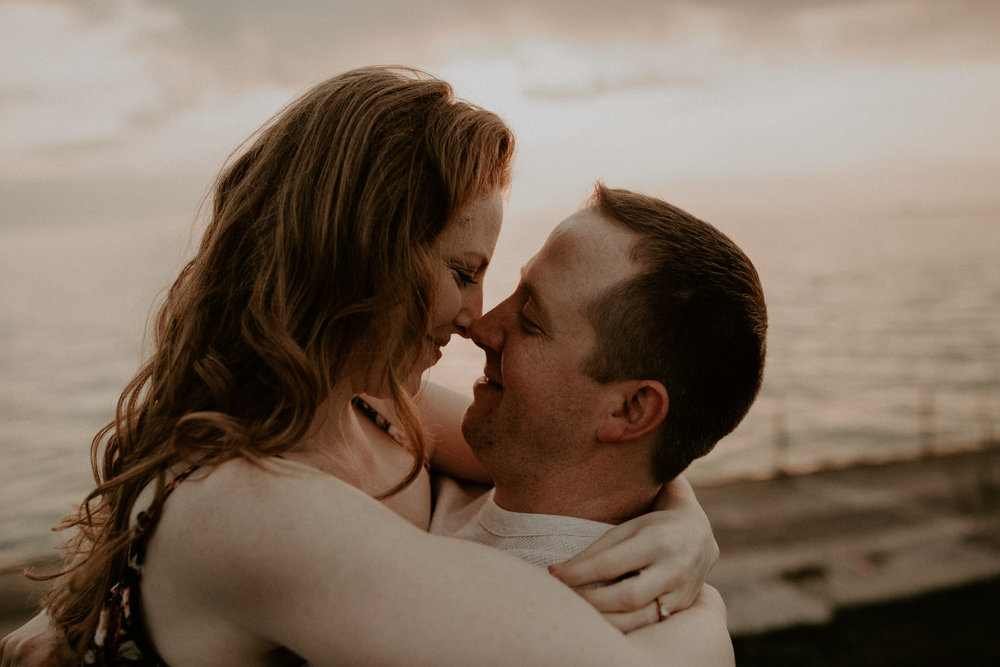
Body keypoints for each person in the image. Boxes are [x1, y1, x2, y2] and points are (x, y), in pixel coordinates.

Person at [1, 67, 723, 666]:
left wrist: (685, 520)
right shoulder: (256, 506)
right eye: (463, 270)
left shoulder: (371, 411)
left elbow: (579, 442)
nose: (476, 315)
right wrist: (707, 610)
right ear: (366, 257)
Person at [430, 184, 766, 639]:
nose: (483, 326)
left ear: (630, 410)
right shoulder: (446, 469)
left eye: (530, 320)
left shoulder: (549, 632)